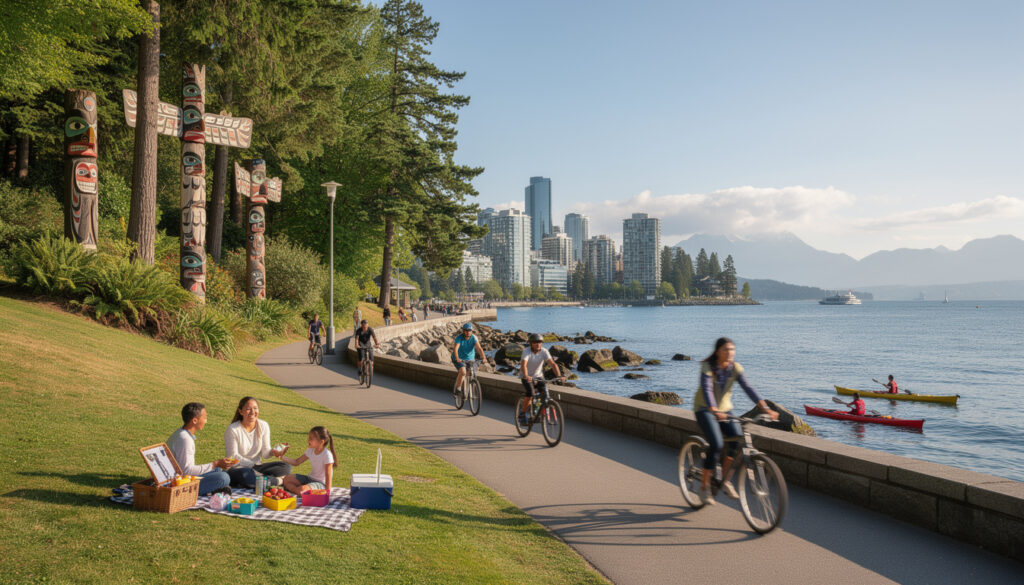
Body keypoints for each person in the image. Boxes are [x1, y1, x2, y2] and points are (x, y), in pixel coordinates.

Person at [692, 337, 778, 506]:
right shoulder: (708, 367)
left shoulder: (736, 368)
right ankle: (703, 487)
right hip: (704, 409)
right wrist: (713, 409)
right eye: (725, 349)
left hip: (725, 410)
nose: (730, 352)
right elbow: (707, 389)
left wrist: (766, 408)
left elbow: (748, 388)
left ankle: (725, 480)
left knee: (737, 442)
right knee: (716, 444)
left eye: (732, 349)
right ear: (718, 351)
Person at [166, 402, 234, 496]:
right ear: (195, 420)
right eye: (204, 418)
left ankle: (215, 488)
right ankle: (213, 488)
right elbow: (187, 471)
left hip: (182, 477)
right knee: (223, 477)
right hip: (179, 485)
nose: (206, 421)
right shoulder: (185, 439)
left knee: (217, 470)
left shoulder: (181, 433)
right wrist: (215, 463)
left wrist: (216, 465)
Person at [224, 397, 292, 489]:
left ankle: (259, 480)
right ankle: (278, 481)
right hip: (238, 468)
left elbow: (265, 453)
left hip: (257, 467)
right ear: (240, 411)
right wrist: (252, 465)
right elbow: (232, 457)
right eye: (248, 409)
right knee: (245, 475)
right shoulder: (233, 429)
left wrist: (274, 452)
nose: (253, 412)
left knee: (286, 467)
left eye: (255, 408)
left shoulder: (263, 425)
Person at [518, 333, 562, 425]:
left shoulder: (544, 351)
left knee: (545, 393)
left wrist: (559, 376)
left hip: (538, 376)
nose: (538, 344)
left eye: (540, 342)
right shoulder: (526, 351)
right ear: (531, 343)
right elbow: (523, 365)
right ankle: (522, 414)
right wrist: (526, 376)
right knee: (530, 393)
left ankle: (537, 412)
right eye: (535, 342)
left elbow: (553, 364)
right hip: (526, 376)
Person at [280, 426, 336, 496]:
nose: (308, 440)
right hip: (309, 478)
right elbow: (297, 462)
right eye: (309, 437)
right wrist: (281, 457)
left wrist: (327, 493)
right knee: (286, 479)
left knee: (302, 490)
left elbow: (328, 476)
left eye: (311, 438)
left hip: (321, 484)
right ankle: (299, 491)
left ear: (321, 442)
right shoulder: (311, 450)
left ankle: (298, 491)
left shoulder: (327, 455)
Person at [451, 323, 490, 396]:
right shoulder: (459, 338)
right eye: (466, 330)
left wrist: (484, 357)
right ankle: (458, 388)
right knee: (463, 371)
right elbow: (455, 349)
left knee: (471, 373)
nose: (468, 332)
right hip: (460, 358)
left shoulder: (474, 338)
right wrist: (457, 358)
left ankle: (467, 388)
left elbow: (479, 348)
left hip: (470, 359)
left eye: (469, 330)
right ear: (463, 331)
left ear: (472, 331)